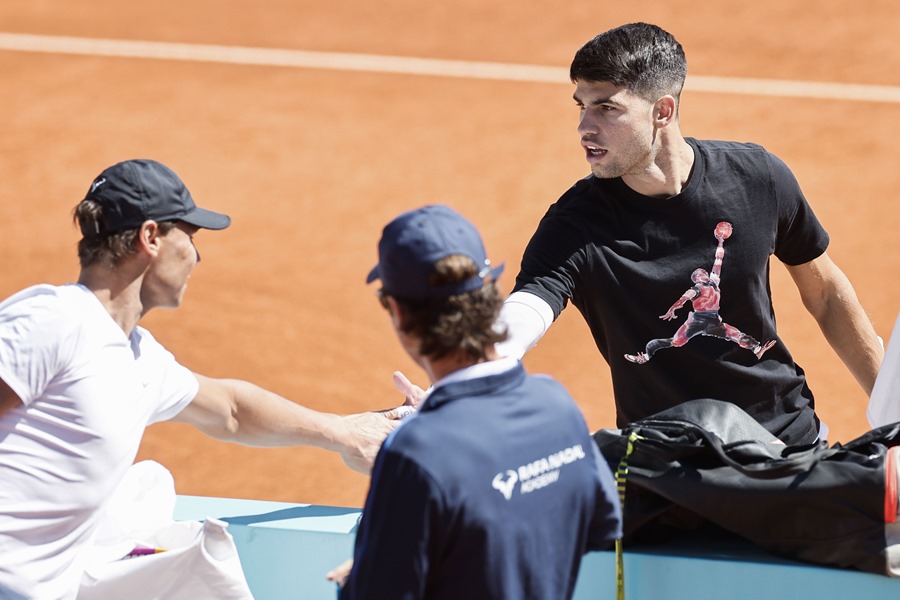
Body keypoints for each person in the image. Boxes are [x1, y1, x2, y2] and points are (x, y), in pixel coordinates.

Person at [0, 159, 402, 600]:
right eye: (190, 238)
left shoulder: (138, 357)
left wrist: (345, 433)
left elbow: (230, 410)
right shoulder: (54, 320)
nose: (197, 256)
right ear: (150, 237)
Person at [493, 22, 884, 445]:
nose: (584, 127)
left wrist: (892, 411)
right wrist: (458, 383)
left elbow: (825, 293)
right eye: (581, 106)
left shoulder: (757, 179)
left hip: (784, 442)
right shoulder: (575, 225)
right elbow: (528, 307)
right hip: (668, 465)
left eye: (606, 108)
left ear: (662, 111)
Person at [328, 205, 622, 599]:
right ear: (487, 293)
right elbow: (597, 524)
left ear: (397, 312)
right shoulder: (557, 405)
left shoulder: (415, 453)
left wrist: (368, 568)